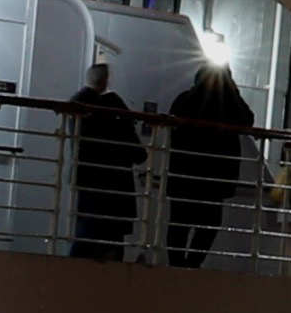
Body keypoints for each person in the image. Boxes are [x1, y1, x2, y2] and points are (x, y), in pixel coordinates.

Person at [160, 63, 255, 268]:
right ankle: (193, 265)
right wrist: (233, 90)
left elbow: (173, 123)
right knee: (209, 225)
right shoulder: (229, 104)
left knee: (179, 223)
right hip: (215, 178)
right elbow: (248, 120)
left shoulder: (185, 99)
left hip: (184, 173)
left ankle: (176, 265)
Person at [65, 54, 143, 263]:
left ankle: (69, 276)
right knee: (111, 240)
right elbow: (138, 153)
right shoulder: (113, 107)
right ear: (106, 81)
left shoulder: (77, 105)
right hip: (116, 184)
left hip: (89, 179)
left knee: (86, 235)